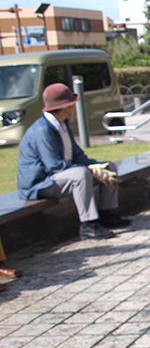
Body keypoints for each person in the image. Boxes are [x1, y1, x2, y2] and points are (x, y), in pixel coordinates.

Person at [16, 83, 130, 240]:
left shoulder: (63, 125)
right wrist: (89, 170)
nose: (75, 107)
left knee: (109, 167)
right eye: (72, 103)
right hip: (40, 183)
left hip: (60, 175)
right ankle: (88, 224)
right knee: (81, 174)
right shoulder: (42, 130)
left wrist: (96, 166)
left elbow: (77, 154)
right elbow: (54, 166)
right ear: (64, 107)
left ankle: (106, 215)